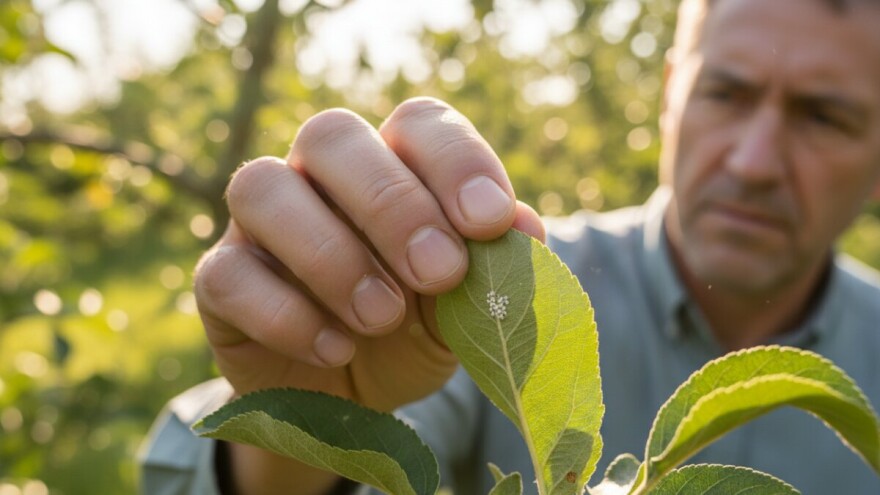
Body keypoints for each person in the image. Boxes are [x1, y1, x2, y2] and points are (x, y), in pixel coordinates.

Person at [140, 0, 880, 493]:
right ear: (669, 97)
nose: (753, 160)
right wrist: (299, 430)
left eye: (825, 117)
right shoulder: (478, 297)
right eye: (726, 93)